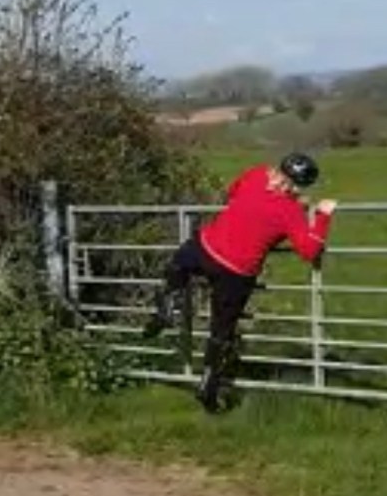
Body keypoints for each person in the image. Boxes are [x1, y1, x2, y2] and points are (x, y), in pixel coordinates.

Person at [143, 153, 337, 413]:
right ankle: (208, 385)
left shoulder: (256, 174)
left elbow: (233, 192)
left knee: (178, 264)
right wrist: (323, 214)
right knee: (221, 330)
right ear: (301, 186)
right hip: (237, 271)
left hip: (208, 247)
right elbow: (309, 250)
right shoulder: (290, 212)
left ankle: (168, 304)